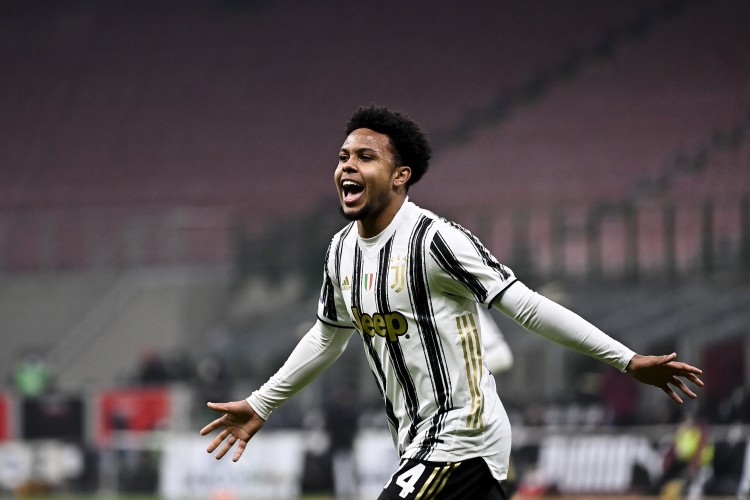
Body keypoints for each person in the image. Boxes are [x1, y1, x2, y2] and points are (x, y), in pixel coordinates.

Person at [200, 105, 704, 500]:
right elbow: (327, 338)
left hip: (462, 437)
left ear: (400, 175)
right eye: (343, 156)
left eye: (365, 157)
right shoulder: (341, 251)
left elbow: (527, 307)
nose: (347, 166)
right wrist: (262, 403)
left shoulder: (435, 240)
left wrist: (626, 360)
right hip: (415, 443)